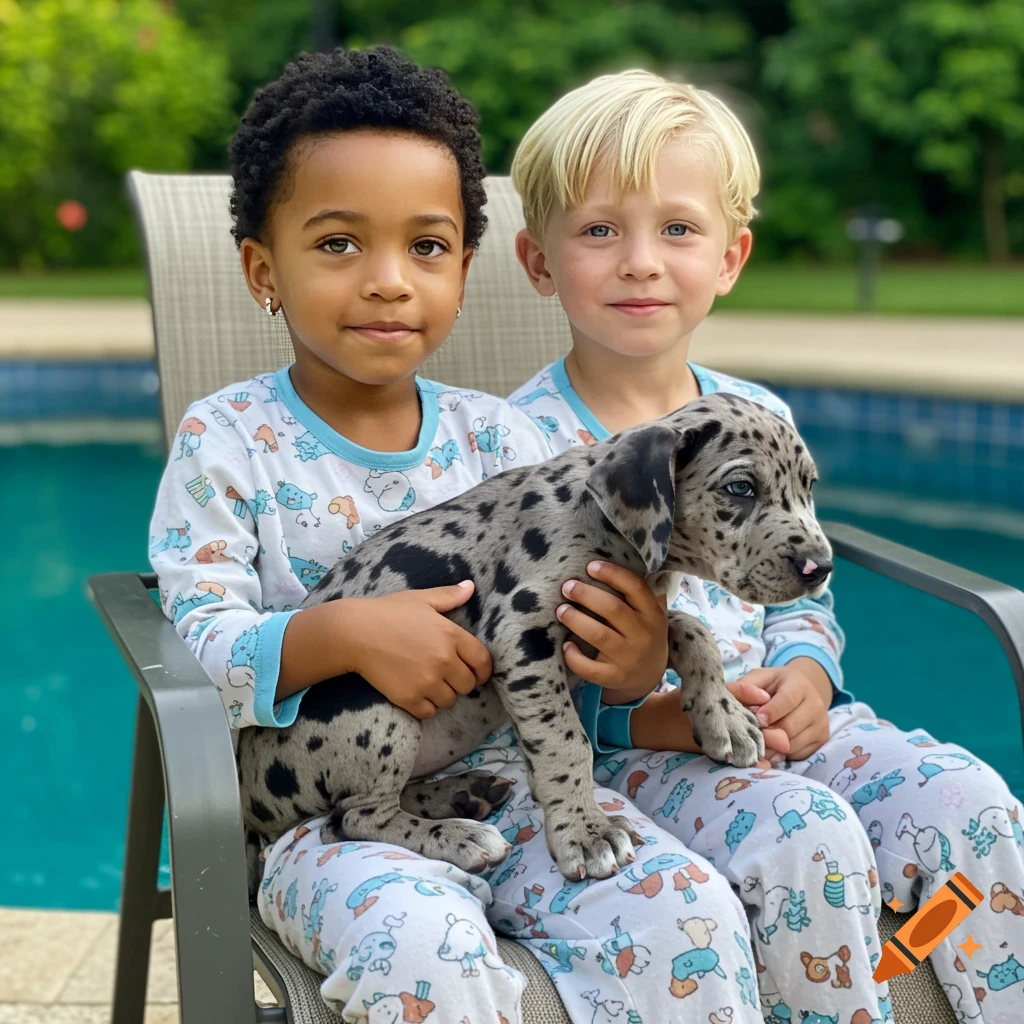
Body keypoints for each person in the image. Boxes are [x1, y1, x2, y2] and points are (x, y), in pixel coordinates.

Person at [149, 47, 765, 1023]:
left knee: (683, 913)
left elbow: (585, 624)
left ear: (467, 268)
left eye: (426, 247)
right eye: (339, 244)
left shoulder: (501, 438)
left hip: (503, 781)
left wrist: (639, 660)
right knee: (427, 952)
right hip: (325, 824)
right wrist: (342, 637)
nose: (389, 281)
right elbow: (183, 647)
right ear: (263, 270)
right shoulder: (226, 445)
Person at [509, 68, 1024, 1024]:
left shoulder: (762, 418)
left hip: (796, 728)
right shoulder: (515, 452)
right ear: (539, 262)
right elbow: (526, 678)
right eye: (597, 231)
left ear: (731, 255)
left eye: (677, 229)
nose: (639, 262)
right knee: (804, 837)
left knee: (974, 804)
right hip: (641, 758)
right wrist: (641, 703)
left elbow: (803, 591)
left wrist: (808, 674)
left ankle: (972, 993)